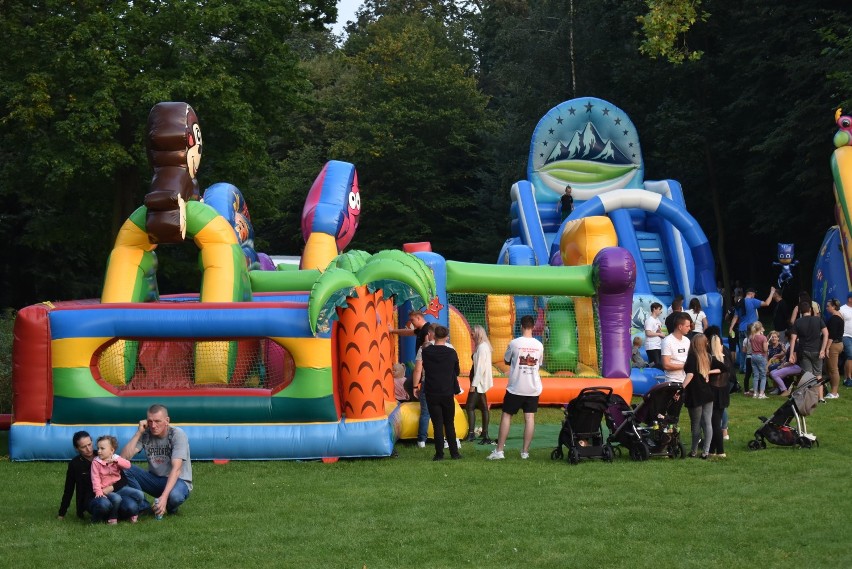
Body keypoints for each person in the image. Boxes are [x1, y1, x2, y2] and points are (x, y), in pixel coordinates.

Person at [487, 315, 544, 460]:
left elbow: (506, 360)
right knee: (530, 417)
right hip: (533, 387)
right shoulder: (539, 345)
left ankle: (499, 450)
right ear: (532, 327)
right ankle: (525, 452)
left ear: (521, 326)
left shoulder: (514, 343)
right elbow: (539, 363)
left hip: (516, 386)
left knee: (507, 415)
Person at [121, 404, 193, 518]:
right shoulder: (146, 433)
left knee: (175, 496)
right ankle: (144, 507)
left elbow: (177, 469)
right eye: (150, 421)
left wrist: (164, 497)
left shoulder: (177, 434)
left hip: (178, 481)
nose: (153, 426)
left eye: (157, 421)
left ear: (167, 420)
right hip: (155, 480)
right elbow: (123, 459)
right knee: (123, 467)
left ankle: (169, 506)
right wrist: (138, 433)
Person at [413, 326, 461, 461]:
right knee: (449, 423)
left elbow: (421, 367)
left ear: (433, 336)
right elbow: (456, 371)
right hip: (447, 392)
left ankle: (439, 454)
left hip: (431, 391)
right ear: (446, 337)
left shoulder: (426, 352)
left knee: (437, 423)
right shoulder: (451, 353)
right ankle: (454, 453)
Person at [392, 310, 432, 448]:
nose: (412, 324)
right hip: (422, 365)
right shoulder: (420, 329)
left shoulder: (427, 330)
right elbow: (408, 332)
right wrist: (392, 331)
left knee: (410, 384)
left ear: (419, 318)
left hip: (425, 366)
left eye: (413, 321)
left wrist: (424, 365)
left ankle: (421, 402)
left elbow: (428, 346)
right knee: (409, 384)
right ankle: (418, 400)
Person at [683, 334, 726, 459]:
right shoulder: (707, 357)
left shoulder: (692, 357)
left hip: (695, 394)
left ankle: (694, 450)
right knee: (707, 423)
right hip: (707, 394)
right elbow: (723, 368)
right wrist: (708, 372)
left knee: (696, 424)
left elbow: (690, 375)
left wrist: (681, 388)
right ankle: (706, 451)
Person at [58, 431, 114, 523]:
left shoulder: (103, 455)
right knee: (104, 504)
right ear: (77, 448)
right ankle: (95, 520)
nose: (88, 449)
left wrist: (112, 487)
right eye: (83, 447)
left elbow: (122, 478)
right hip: (91, 498)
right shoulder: (75, 464)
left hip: (111, 493)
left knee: (130, 506)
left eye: (90, 444)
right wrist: (61, 513)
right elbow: (69, 489)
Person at [91, 435, 147, 524]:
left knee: (140, 494)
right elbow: (95, 478)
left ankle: (135, 512)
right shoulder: (96, 462)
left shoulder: (116, 458)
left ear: (112, 450)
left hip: (120, 488)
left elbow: (128, 465)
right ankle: (113, 517)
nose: (99, 451)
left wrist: (116, 461)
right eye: (98, 448)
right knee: (116, 498)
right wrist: (98, 491)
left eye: (102, 448)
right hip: (106, 490)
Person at [788, 301, 830, 402]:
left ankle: (811, 398)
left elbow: (793, 339)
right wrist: (823, 349)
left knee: (809, 375)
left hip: (804, 351)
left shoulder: (798, 322)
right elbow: (826, 334)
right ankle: (820, 397)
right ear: (810, 310)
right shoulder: (818, 320)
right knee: (818, 374)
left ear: (801, 312)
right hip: (817, 350)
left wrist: (791, 354)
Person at [729, 286, 776, 372]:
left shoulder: (740, 302)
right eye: (754, 294)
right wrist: (772, 293)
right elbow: (767, 303)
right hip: (751, 329)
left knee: (742, 349)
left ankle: (742, 368)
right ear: (751, 294)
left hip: (741, 329)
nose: (754, 296)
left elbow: (735, 317)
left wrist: (731, 328)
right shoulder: (752, 301)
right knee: (752, 349)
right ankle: (750, 368)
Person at [705, 327, 733, 457]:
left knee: (714, 423)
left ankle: (720, 450)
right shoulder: (725, 358)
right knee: (717, 421)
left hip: (714, 392)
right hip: (723, 392)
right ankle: (712, 449)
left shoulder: (711, 359)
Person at [465, 325, 494, 444]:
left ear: (478, 334)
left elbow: (480, 368)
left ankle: (471, 433)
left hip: (478, 382)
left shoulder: (482, 347)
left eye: (472, 334)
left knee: (469, 407)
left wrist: (474, 384)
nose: (471, 336)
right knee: (483, 407)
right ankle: (484, 432)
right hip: (478, 382)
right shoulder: (482, 346)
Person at [661, 312, 692, 383]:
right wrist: (686, 366)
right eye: (687, 326)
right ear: (680, 327)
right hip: (673, 381)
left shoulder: (687, 340)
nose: (689, 328)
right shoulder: (667, 341)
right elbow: (666, 365)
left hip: (686, 380)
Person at [824, 298, 844, 399]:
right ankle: (832, 391)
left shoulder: (834, 319)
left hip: (834, 345)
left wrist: (827, 348)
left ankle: (834, 392)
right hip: (838, 344)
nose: (827, 308)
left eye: (828, 306)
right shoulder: (839, 316)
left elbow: (831, 336)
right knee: (831, 368)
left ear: (834, 307)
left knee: (833, 369)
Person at [749, 322, 769, 399]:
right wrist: (766, 344)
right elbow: (765, 349)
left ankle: (755, 393)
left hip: (753, 356)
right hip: (761, 356)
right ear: (760, 328)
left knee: (756, 375)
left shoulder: (752, 337)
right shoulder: (763, 337)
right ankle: (761, 394)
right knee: (763, 375)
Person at [644, 302, 665, 369]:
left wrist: (660, 333)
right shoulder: (649, 320)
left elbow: (657, 331)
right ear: (654, 309)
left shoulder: (658, 320)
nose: (660, 311)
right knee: (656, 364)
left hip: (658, 345)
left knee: (659, 364)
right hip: (652, 346)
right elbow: (648, 333)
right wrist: (659, 334)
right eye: (659, 309)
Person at [838, 292, 852, 387]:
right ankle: (848, 378)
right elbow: (838, 323)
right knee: (850, 354)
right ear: (850, 299)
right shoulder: (842, 309)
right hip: (845, 335)